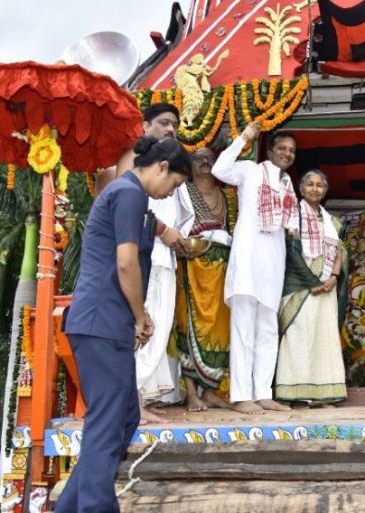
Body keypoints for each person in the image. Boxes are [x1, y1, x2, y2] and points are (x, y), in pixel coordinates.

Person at [55, 136, 192, 513]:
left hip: (106, 322)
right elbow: (126, 263)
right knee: (108, 420)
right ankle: (96, 507)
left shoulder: (133, 196)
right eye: (175, 184)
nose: (170, 193)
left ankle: (69, 507)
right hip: (103, 319)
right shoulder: (129, 193)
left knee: (124, 417)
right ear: (161, 167)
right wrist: (140, 316)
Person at [212, 121, 296, 415]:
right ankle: (240, 395)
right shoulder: (249, 171)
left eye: (291, 151)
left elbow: (292, 227)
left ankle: (263, 392)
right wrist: (244, 138)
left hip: (273, 262)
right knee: (244, 328)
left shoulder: (287, 184)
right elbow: (219, 170)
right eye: (281, 148)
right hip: (248, 260)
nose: (286, 154)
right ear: (269, 151)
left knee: (268, 330)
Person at [135, 104, 195, 421]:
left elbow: (185, 215)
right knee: (138, 326)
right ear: (145, 126)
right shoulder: (133, 164)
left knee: (157, 327)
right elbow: (131, 206)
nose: (171, 129)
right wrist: (163, 230)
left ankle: (139, 396)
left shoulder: (173, 169)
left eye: (174, 124)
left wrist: (179, 237)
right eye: (163, 123)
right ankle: (132, 398)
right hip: (140, 257)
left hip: (165, 258)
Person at [172, 147, 237, 411]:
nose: (206, 162)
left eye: (211, 158)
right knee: (189, 326)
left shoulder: (227, 196)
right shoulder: (182, 191)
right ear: (191, 163)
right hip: (192, 264)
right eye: (199, 158)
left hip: (222, 266)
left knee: (220, 330)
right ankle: (191, 394)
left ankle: (210, 391)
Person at [276, 169, 348, 406]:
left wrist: (334, 277)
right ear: (301, 188)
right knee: (297, 337)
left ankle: (322, 393)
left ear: (325, 191)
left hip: (326, 285)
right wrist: (311, 281)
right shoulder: (291, 216)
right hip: (299, 285)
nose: (315, 189)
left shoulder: (333, 222)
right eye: (310, 184)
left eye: (320, 185)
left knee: (322, 339)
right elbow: (289, 251)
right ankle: (293, 392)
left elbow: (340, 251)